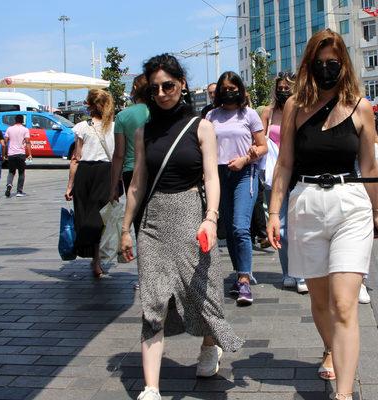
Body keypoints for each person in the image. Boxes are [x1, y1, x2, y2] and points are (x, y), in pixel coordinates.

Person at [266, 29, 378, 400]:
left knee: (344, 302)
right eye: (320, 64)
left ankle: (344, 393)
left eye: (333, 63)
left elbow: (369, 163)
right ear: (309, 65)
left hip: (351, 203)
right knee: (319, 302)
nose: (327, 69)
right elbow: (284, 164)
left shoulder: (360, 107)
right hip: (306, 203)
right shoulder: (294, 108)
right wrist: (273, 211)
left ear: (344, 64)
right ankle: (332, 347)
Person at [118, 54, 243, 400]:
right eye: (154, 88)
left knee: (200, 290)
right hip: (154, 220)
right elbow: (137, 184)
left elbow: (211, 177)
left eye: (168, 85)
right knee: (153, 298)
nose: (161, 93)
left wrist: (211, 217)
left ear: (182, 84)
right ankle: (151, 387)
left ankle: (208, 345)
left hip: (192, 214)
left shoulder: (201, 126)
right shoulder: (143, 131)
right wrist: (126, 228)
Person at [206, 71, 268, 306]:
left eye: (233, 87)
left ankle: (243, 278)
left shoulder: (249, 114)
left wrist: (246, 158)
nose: (228, 91)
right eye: (224, 87)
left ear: (240, 90)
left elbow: (262, 147)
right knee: (231, 230)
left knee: (241, 227)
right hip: (219, 175)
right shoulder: (211, 115)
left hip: (245, 173)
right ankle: (239, 271)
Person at [260, 73, 308, 294]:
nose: (283, 91)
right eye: (280, 88)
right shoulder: (268, 113)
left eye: (287, 88)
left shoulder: (302, 109)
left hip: (299, 173)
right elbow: (259, 141)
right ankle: (288, 272)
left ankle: (302, 273)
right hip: (276, 175)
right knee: (281, 226)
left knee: (300, 226)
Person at [65, 89, 115, 279]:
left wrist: (69, 185)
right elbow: (118, 156)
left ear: (91, 105)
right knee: (101, 218)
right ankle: (97, 258)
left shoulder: (81, 127)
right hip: (107, 173)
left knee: (86, 215)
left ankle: (92, 255)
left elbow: (76, 158)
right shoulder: (114, 127)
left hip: (85, 173)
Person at [111, 74, 149, 201]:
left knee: (137, 216)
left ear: (134, 88)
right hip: (155, 169)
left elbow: (119, 154)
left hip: (131, 171)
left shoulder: (122, 116)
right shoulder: (160, 113)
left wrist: (114, 185)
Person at [3, 115, 32, 198]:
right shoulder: (25, 129)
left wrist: (4, 154)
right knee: (21, 172)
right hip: (21, 153)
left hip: (11, 154)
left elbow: (5, 142)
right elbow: (27, 142)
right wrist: (29, 154)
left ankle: (9, 184)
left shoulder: (9, 129)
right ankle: (19, 191)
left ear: (15, 120)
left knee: (11, 171)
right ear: (22, 121)